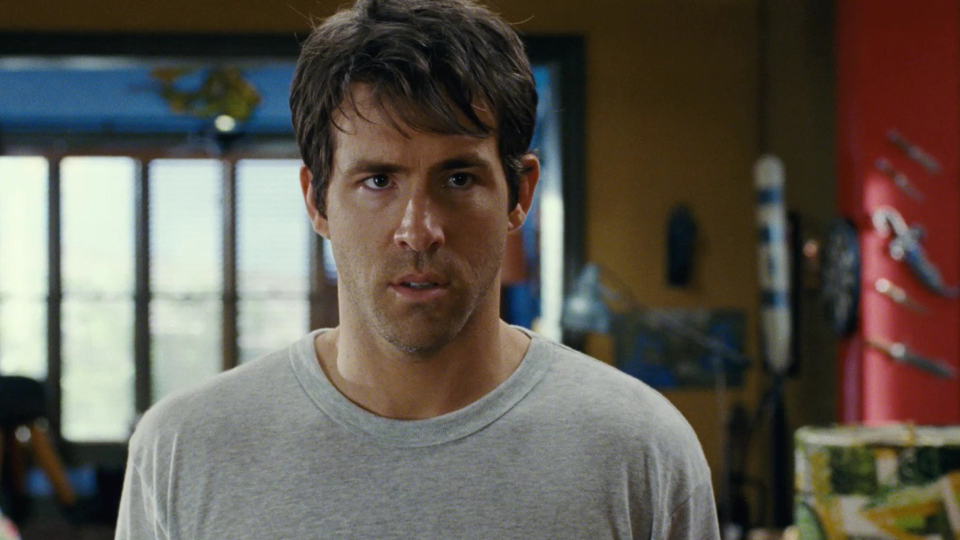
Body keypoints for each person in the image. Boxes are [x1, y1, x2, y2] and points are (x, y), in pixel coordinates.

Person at [114, 0, 721, 538]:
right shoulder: (186, 447)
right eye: (378, 181)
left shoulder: (639, 448)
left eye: (458, 178)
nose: (418, 230)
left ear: (520, 194)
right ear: (316, 200)